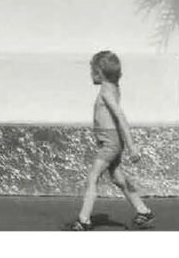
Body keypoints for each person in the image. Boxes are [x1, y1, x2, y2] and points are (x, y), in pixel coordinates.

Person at [66, 51, 154, 230]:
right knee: (118, 178)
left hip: (111, 141)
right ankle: (143, 210)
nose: (90, 74)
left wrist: (131, 146)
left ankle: (83, 220)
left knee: (93, 176)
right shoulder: (113, 87)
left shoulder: (107, 90)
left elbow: (120, 116)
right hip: (109, 140)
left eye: (92, 71)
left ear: (99, 72)